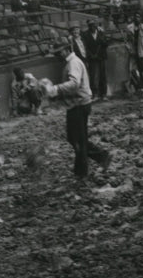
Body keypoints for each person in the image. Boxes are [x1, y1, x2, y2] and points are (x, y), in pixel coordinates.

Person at [42, 39, 111, 179]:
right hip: (77, 104)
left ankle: (82, 171)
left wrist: (55, 89)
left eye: (59, 52)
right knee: (75, 138)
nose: (57, 56)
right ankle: (100, 157)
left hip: (79, 105)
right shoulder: (71, 63)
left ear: (67, 49)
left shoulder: (73, 63)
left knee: (78, 140)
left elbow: (74, 84)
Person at [81, 20, 108, 99]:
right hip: (92, 58)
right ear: (88, 26)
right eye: (90, 26)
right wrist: (91, 55)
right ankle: (95, 94)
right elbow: (85, 47)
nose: (92, 27)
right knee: (93, 77)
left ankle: (103, 94)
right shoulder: (85, 34)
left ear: (96, 26)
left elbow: (105, 45)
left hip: (101, 57)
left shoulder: (101, 33)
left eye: (93, 25)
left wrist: (102, 39)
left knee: (103, 76)